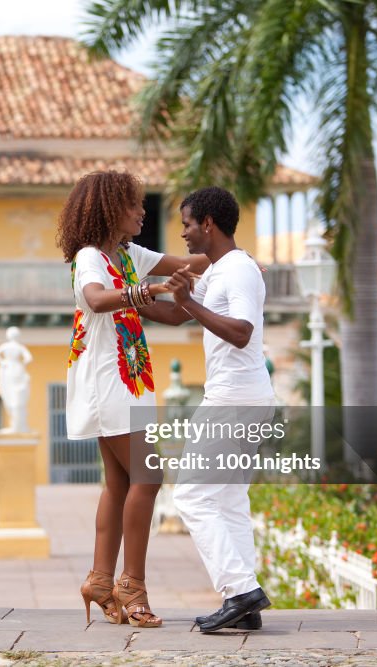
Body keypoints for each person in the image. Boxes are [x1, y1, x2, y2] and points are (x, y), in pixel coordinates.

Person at [57, 171, 209, 628]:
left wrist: (233, 262)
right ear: (109, 208)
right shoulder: (91, 257)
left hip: (131, 380)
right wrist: (152, 289)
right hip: (106, 381)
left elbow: (189, 263)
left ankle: (101, 580)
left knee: (121, 484)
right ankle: (132, 585)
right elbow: (97, 299)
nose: (143, 212)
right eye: (134, 205)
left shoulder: (129, 255)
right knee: (149, 477)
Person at [165, 186, 275, 632]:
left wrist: (188, 302)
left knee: (190, 495)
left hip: (235, 401)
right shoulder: (219, 270)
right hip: (241, 399)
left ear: (208, 223)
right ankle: (243, 604)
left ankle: (242, 590)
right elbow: (177, 314)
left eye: (188, 224)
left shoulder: (239, 272)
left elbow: (243, 331)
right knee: (228, 501)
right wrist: (122, 305)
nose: (184, 233)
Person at [0, 326, 33, 433]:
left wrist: (2, 361)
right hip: (17, 369)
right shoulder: (19, 347)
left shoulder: (6, 346)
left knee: (11, 398)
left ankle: (16, 426)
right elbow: (29, 358)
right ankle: (16, 426)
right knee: (15, 398)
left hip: (7, 370)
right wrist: (21, 364)